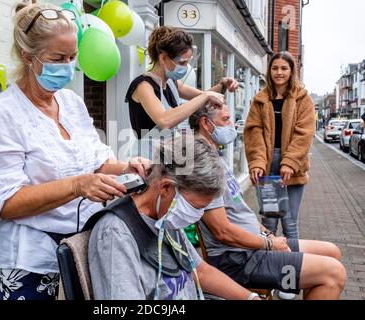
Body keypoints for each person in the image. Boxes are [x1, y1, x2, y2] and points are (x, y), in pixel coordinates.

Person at [0, 0, 147, 300]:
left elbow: (96, 160)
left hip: (76, 250)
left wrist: (128, 168)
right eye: (58, 57)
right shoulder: (2, 116)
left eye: (72, 57)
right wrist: (77, 185)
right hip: (27, 263)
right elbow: (4, 203)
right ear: (28, 56)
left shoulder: (71, 103)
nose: (67, 66)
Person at [188, 103, 346, 300]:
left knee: (332, 252)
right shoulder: (201, 162)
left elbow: (238, 213)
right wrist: (269, 244)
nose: (231, 126)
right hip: (238, 259)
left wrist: (266, 233)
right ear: (206, 123)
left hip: (253, 247)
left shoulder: (216, 157)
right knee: (334, 274)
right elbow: (223, 231)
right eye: (225, 120)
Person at [88, 137, 261, 300]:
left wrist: (251, 297)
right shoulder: (116, 234)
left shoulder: (166, 215)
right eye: (196, 207)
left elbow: (199, 271)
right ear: (165, 187)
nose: (196, 217)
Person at [243, 51, 315, 240]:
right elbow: (253, 131)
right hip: (266, 165)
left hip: (293, 166)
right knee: (269, 222)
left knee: (290, 223)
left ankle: (292, 265)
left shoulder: (303, 99)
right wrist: (257, 162)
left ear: (291, 71)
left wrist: (290, 162)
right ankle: (269, 265)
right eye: (275, 68)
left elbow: (304, 133)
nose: (279, 72)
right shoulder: (260, 100)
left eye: (284, 68)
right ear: (269, 71)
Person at [125, 26, 238, 139]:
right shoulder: (143, 86)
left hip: (168, 151)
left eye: (188, 62)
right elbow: (164, 120)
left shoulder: (172, 84)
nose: (186, 67)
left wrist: (223, 84)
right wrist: (206, 96)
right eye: (182, 62)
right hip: (147, 154)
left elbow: (202, 96)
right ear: (164, 58)